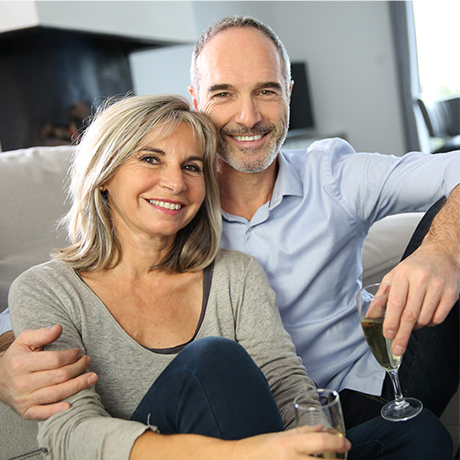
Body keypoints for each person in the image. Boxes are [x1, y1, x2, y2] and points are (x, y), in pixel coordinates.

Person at [1, 15, 459, 431]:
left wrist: (441, 253)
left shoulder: (335, 175)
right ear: (196, 100)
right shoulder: (168, 201)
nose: (248, 116)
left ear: (288, 94)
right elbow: (74, 289)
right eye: (224, 93)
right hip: (244, 415)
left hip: (371, 384)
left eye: (266, 90)